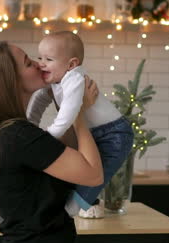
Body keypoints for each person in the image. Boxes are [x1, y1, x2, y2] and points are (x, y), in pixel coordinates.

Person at [0, 41, 103, 243]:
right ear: (11, 80)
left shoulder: (13, 132)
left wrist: (70, 107)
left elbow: (67, 155)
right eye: (29, 63)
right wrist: (79, 112)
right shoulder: (19, 136)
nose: (40, 65)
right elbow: (93, 174)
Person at [27, 31, 134, 218]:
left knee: (97, 175)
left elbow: (67, 116)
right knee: (78, 167)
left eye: (49, 59)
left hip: (115, 134)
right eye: (39, 57)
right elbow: (40, 100)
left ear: (71, 64)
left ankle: (73, 208)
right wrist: (30, 126)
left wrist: (45, 138)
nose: (41, 63)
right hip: (93, 132)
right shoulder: (56, 80)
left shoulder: (74, 79)